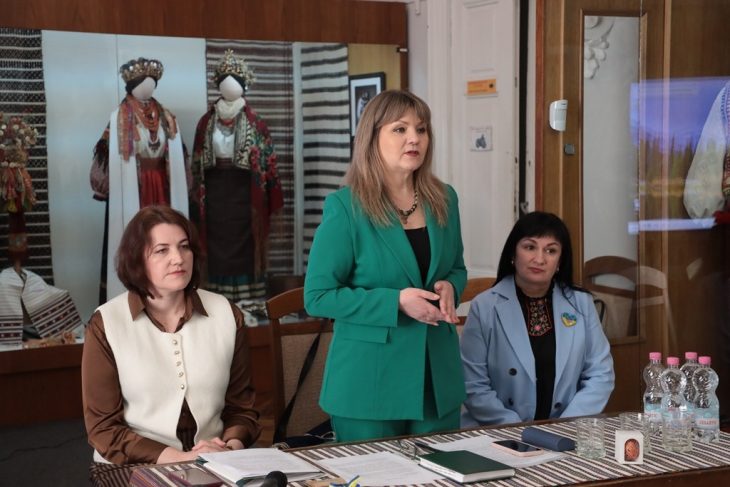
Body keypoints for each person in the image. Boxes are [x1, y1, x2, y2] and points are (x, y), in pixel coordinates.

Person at [304, 89, 467, 442]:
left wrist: (451, 287)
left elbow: (457, 267)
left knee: (441, 471)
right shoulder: (346, 206)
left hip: (436, 378)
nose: (414, 138)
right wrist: (396, 302)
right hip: (369, 382)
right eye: (400, 129)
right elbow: (318, 296)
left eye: (421, 129)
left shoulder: (445, 199)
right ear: (372, 137)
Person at [81, 206, 260, 482]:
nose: (178, 258)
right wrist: (182, 458)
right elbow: (103, 429)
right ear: (136, 259)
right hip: (129, 463)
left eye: (184, 247)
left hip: (216, 459)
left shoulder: (227, 313)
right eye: (161, 250)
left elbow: (242, 409)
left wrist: (229, 449)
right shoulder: (106, 323)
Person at [460, 211, 614, 426]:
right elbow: (473, 384)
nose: (539, 259)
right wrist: (517, 429)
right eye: (530, 247)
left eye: (551, 250)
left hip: (566, 429)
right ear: (513, 253)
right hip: (499, 430)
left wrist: (567, 424)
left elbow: (601, 374)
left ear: (560, 261)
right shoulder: (485, 306)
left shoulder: (581, 303)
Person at [90, 57, 191, 303]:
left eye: (152, 83)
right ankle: (136, 292)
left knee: (165, 237)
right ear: (131, 86)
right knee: (140, 237)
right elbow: (105, 153)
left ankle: (167, 292)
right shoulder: (119, 117)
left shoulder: (166, 117)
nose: (148, 88)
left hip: (162, 186)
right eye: (143, 83)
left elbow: (178, 153)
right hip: (135, 187)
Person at [190, 50, 283, 301]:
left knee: (248, 242)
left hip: (246, 193)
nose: (229, 87)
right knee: (215, 244)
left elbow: (268, 161)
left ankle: (248, 298)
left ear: (243, 86)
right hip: (215, 193)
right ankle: (216, 297)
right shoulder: (206, 122)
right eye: (224, 82)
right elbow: (197, 161)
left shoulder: (256, 123)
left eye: (234, 82)